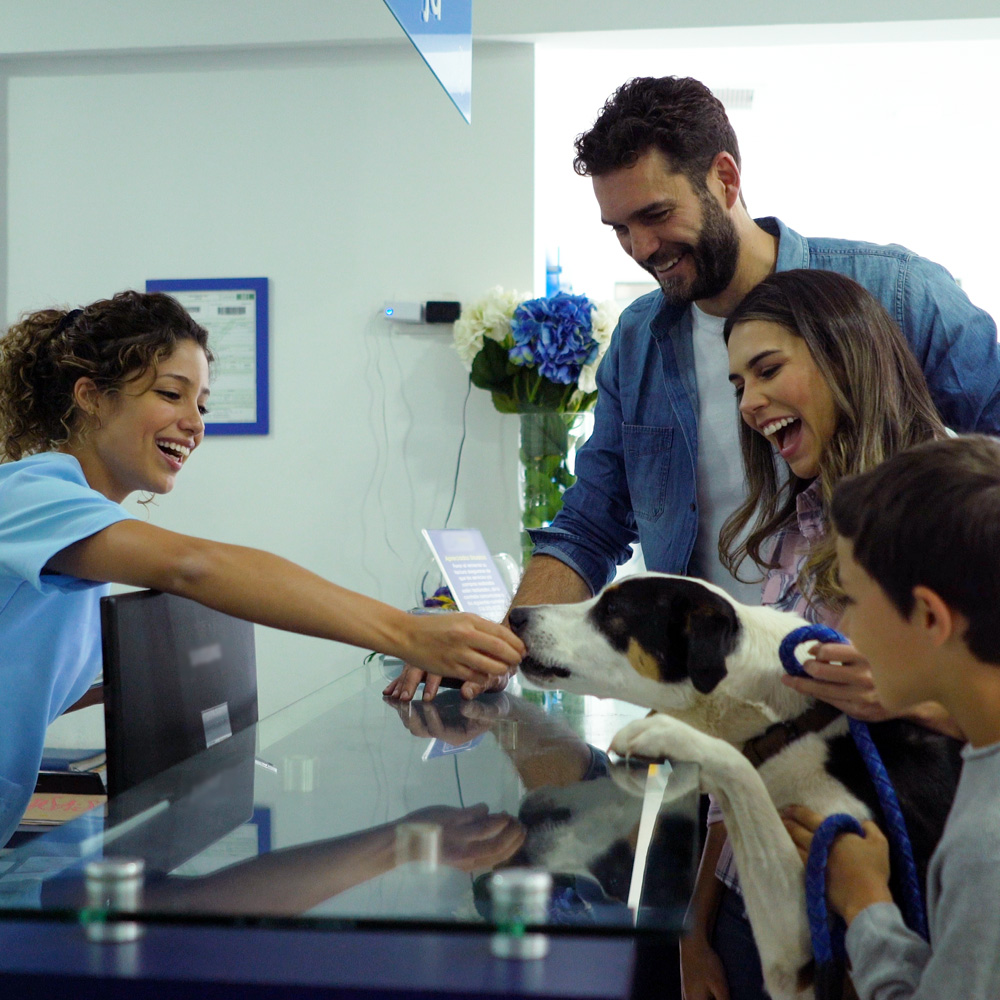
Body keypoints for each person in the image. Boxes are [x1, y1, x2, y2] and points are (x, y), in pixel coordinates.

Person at [388, 73, 1000, 708]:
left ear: (725, 178)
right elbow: (591, 522)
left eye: (656, 215)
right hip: (715, 705)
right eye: (620, 228)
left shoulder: (899, 293)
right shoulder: (638, 340)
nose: (642, 248)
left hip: (888, 707)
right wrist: (491, 651)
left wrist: (930, 667)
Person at [0, 290, 524, 847]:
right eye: (171, 394)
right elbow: (194, 567)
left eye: (201, 405)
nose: (193, 423)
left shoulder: (78, 530)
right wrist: (408, 633)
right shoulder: (27, 495)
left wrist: (132, 688)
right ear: (92, 397)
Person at [670, 267, 960, 1000]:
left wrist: (905, 700)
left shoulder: (957, 510)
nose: (751, 403)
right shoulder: (796, 538)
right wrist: (699, 924)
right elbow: (746, 740)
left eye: (768, 370)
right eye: (738, 384)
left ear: (845, 355)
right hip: (753, 910)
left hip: (877, 910)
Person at [782, 434, 1000, 1000]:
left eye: (851, 600)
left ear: (929, 616)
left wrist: (865, 902)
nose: (845, 628)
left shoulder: (986, 851)